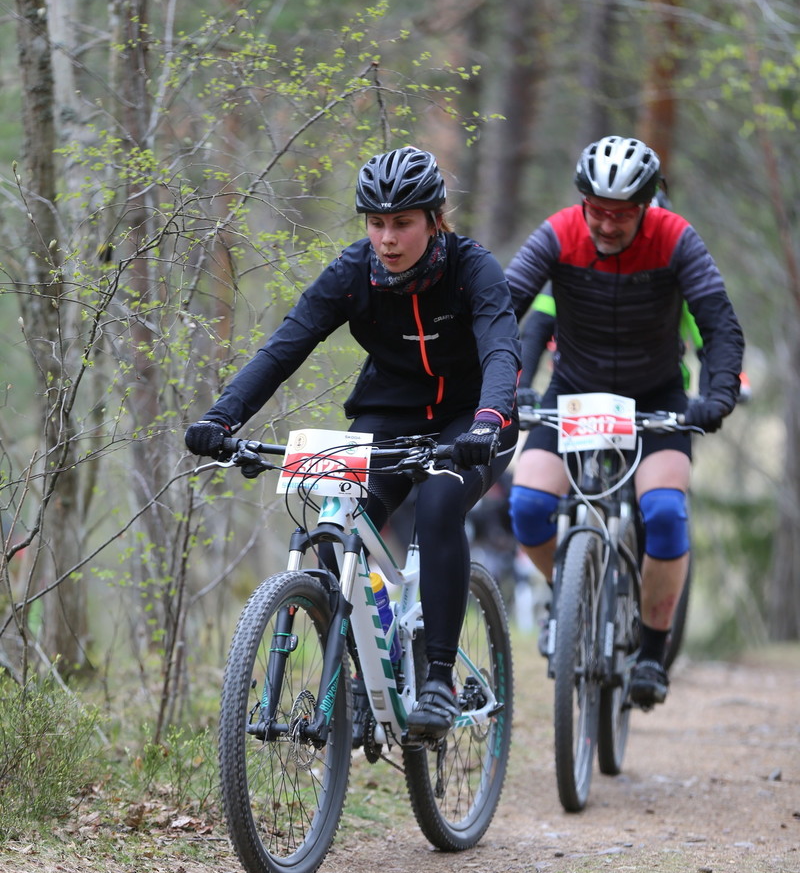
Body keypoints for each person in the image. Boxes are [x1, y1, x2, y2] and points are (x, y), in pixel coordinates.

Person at [185, 145, 521, 739]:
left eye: (403, 224)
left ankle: (439, 679)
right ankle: (369, 672)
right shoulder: (352, 273)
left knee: (440, 505)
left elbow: (500, 351)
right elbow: (285, 347)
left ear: (434, 221)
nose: (387, 239)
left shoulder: (474, 270)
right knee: (337, 520)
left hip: (471, 419)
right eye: (376, 224)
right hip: (387, 413)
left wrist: (489, 421)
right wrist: (223, 417)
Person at [505, 135, 744, 709]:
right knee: (528, 506)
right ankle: (570, 596)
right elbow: (504, 303)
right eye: (598, 211)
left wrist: (715, 397)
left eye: (622, 215)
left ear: (647, 206)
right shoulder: (560, 231)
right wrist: (505, 388)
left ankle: (653, 652)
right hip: (574, 394)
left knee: (663, 512)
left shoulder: (675, 238)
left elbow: (719, 324)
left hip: (655, 396)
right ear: (582, 201)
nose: (607, 225)